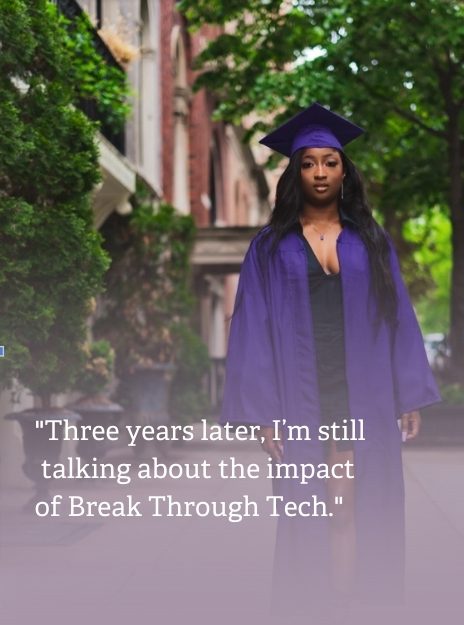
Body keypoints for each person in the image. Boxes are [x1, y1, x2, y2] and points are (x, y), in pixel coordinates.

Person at [218, 102, 442, 623]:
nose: (320, 172)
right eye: (309, 162)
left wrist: (408, 392)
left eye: (330, 161)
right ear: (295, 172)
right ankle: (324, 602)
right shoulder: (270, 248)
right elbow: (251, 330)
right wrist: (262, 410)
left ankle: (345, 602)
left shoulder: (370, 240)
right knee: (324, 503)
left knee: (352, 501)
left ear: (345, 171)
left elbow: (397, 316)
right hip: (302, 392)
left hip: (361, 391)